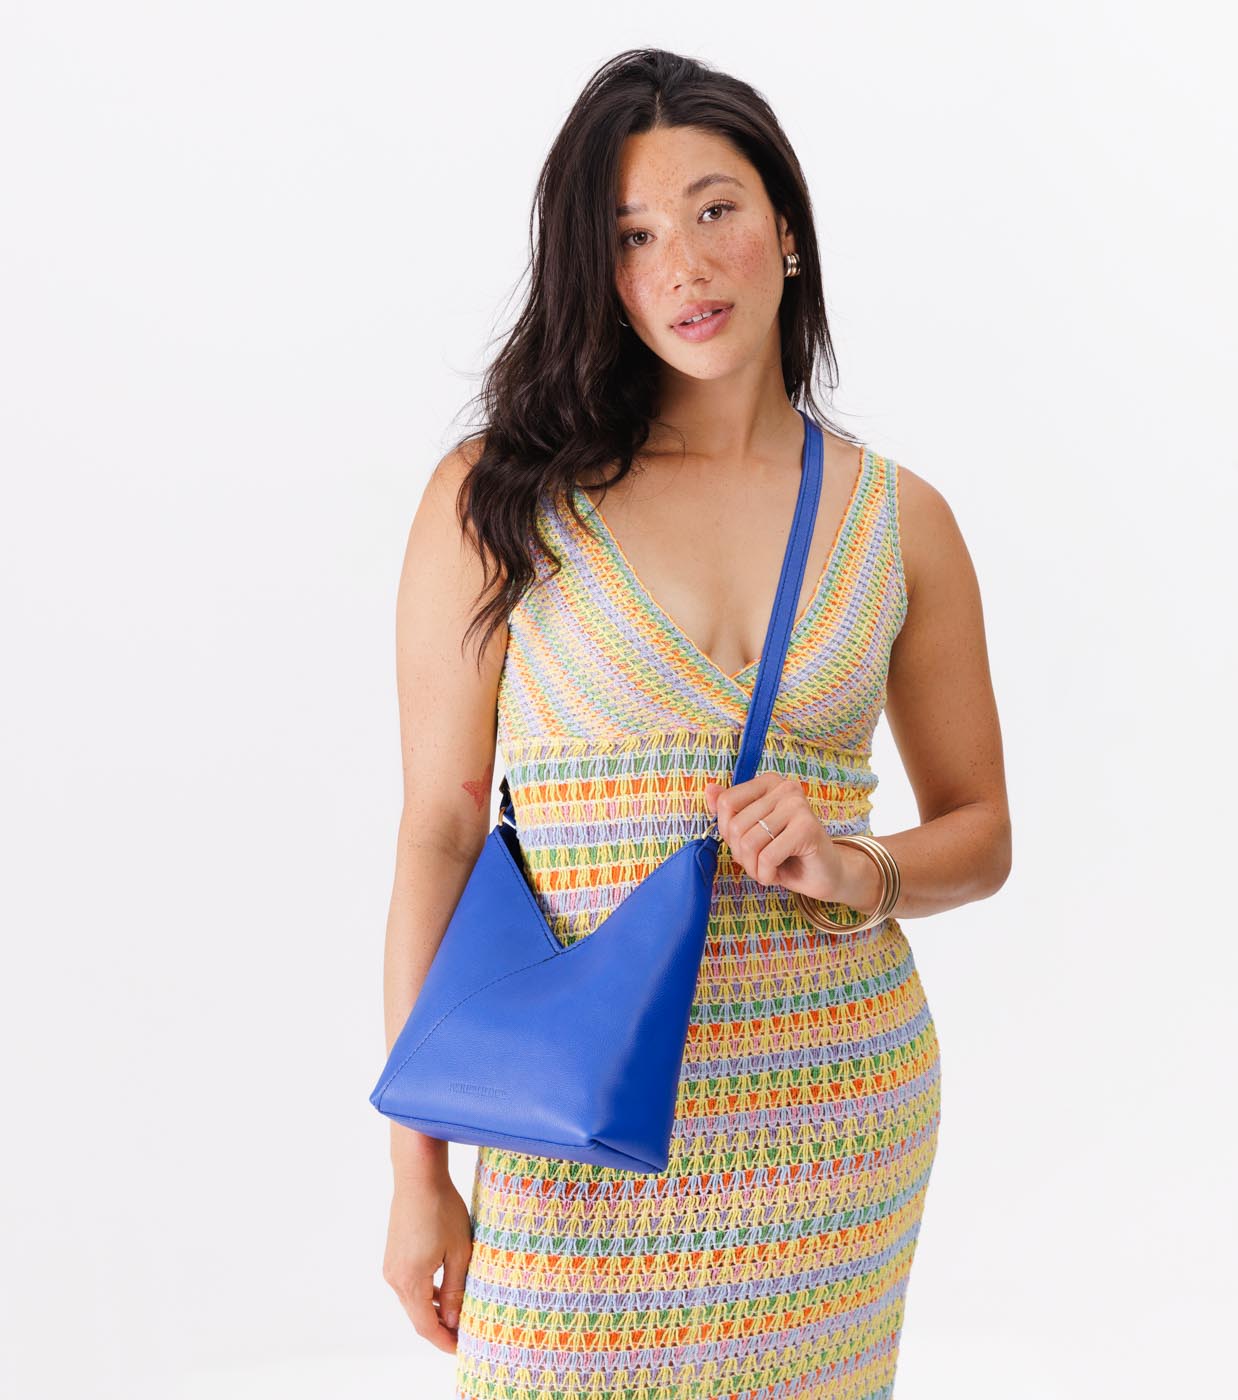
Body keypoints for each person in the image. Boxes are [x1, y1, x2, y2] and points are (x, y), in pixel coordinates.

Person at [378, 47, 1011, 1398]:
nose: (683, 263)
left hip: (834, 1122)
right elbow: (438, 835)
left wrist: (858, 864)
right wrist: (416, 1171)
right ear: (595, 271)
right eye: (632, 235)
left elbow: (983, 833)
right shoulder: (499, 502)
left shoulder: (902, 521)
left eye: (714, 209)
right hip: (568, 1142)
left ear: (786, 227)